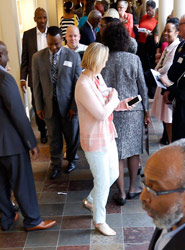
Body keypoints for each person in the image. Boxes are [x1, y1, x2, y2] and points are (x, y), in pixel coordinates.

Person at [0, 40, 56, 232]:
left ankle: (7, 219)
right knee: (22, 181)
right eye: (7, 53)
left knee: (1, 181)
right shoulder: (4, 78)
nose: (9, 58)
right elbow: (17, 113)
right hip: (11, 143)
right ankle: (33, 220)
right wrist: (30, 142)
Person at [75, 43, 134, 236]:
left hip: (107, 134)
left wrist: (120, 103)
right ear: (96, 60)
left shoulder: (97, 78)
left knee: (114, 174)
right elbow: (101, 113)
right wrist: (114, 98)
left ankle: (92, 200)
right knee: (102, 180)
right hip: (94, 140)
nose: (107, 62)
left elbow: (106, 102)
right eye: (105, 59)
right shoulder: (83, 84)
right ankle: (99, 221)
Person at [101, 21, 150, 206]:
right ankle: (133, 188)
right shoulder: (133, 59)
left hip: (112, 112)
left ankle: (120, 193)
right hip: (133, 111)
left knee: (118, 153)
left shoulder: (104, 60)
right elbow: (142, 88)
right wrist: (145, 110)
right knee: (133, 151)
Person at [31, 26, 82, 179]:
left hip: (68, 107)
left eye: (57, 44)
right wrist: (39, 106)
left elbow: (78, 84)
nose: (53, 48)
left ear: (62, 40)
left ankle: (72, 159)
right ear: (46, 41)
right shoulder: (37, 58)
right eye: (50, 44)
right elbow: (36, 85)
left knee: (72, 136)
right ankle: (55, 165)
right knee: (54, 138)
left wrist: (74, 106)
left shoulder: (73, 57)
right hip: (49, 106)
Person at [20, 8, 49, 143]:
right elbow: (25, 57)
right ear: (35, 19)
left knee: (51, 104)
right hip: (35, 78)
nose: (42, 21)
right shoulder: (28, 35)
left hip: (51, 77)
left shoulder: (53, 32)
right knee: (37, 105)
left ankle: (53, 129)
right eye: (39, 18)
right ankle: (43, 131)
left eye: (44, 17)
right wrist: (22, 78)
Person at [151, 18, 180, 145]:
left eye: (169, 31)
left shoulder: (177, 47)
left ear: (177, 32)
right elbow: (160, 65)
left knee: (169, 118)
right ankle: (166, 137)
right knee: (164, 116)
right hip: (161, 82)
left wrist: (157, 72)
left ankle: (171, 141)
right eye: (165, 31)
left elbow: (167, 67)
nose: (166, 34)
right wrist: (156, 70)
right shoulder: (168, 46)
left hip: (167, 84)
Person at [161, 10, 185, 105]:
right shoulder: (181, 45)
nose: (178, 26)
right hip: (174, 97)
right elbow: (173, 69)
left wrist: (171, 90)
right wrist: (166, 90)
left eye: (181, 24)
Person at [136, 1, 159, 97]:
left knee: (149, 66)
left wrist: (149, 33)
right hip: (141, 43)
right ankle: (142, 87)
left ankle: (150, 90)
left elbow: (155, 35)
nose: (147, 12)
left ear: (154, 9)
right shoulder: (144, 17)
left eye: (149, 10)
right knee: (142, 66)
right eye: (146, 10)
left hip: (149, 46)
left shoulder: (156, 20)